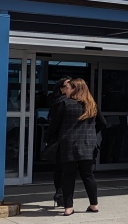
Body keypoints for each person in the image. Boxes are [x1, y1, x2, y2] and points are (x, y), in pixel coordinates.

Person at [45, 78, 105, 216]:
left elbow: (55, 125)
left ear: (75, 89)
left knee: (68, 176)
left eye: (68, 88)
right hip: (88, 145)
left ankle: (68, 207)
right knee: (89, 175)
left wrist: (49, 139)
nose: (65, 90)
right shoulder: (91, 104)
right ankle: (94, 205)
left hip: (68, 144)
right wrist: (91, 133)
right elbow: (103, 123)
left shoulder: (65, 104)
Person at [45, 76, 72, 207]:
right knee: (61, 168)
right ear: (62, 89)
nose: (71, 88)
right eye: (68, 86)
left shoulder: (74, 101)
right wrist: (49, 138)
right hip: (61, 139)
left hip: (67, 139)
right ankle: (60, 194)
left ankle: (60, 194)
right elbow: (54, 123)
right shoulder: (61, 103)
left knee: (62, 168)